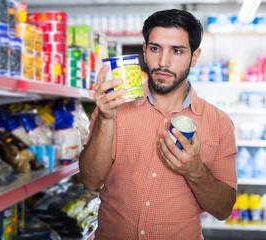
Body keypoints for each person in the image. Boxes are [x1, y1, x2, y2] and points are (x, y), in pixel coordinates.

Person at [79, 9, 238, 239]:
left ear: (194, 56)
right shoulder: (114, 107)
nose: (163, 62)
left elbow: (223, 210)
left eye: (177, 50)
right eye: (155, 49)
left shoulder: (219, 123)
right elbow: (91, 181)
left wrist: (194, 171)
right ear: (144, 50)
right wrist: (105, 118)